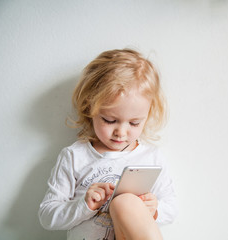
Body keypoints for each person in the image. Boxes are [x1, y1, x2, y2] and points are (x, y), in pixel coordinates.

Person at [38, 49, 178, 240]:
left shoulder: (151, 157)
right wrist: (84, 205)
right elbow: (47, 216)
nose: (121, 132)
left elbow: (171, 209)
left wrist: (154, 209)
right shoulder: (75, 156)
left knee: (126, 202)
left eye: (134, 123)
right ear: (90, 108)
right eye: (109, 120)